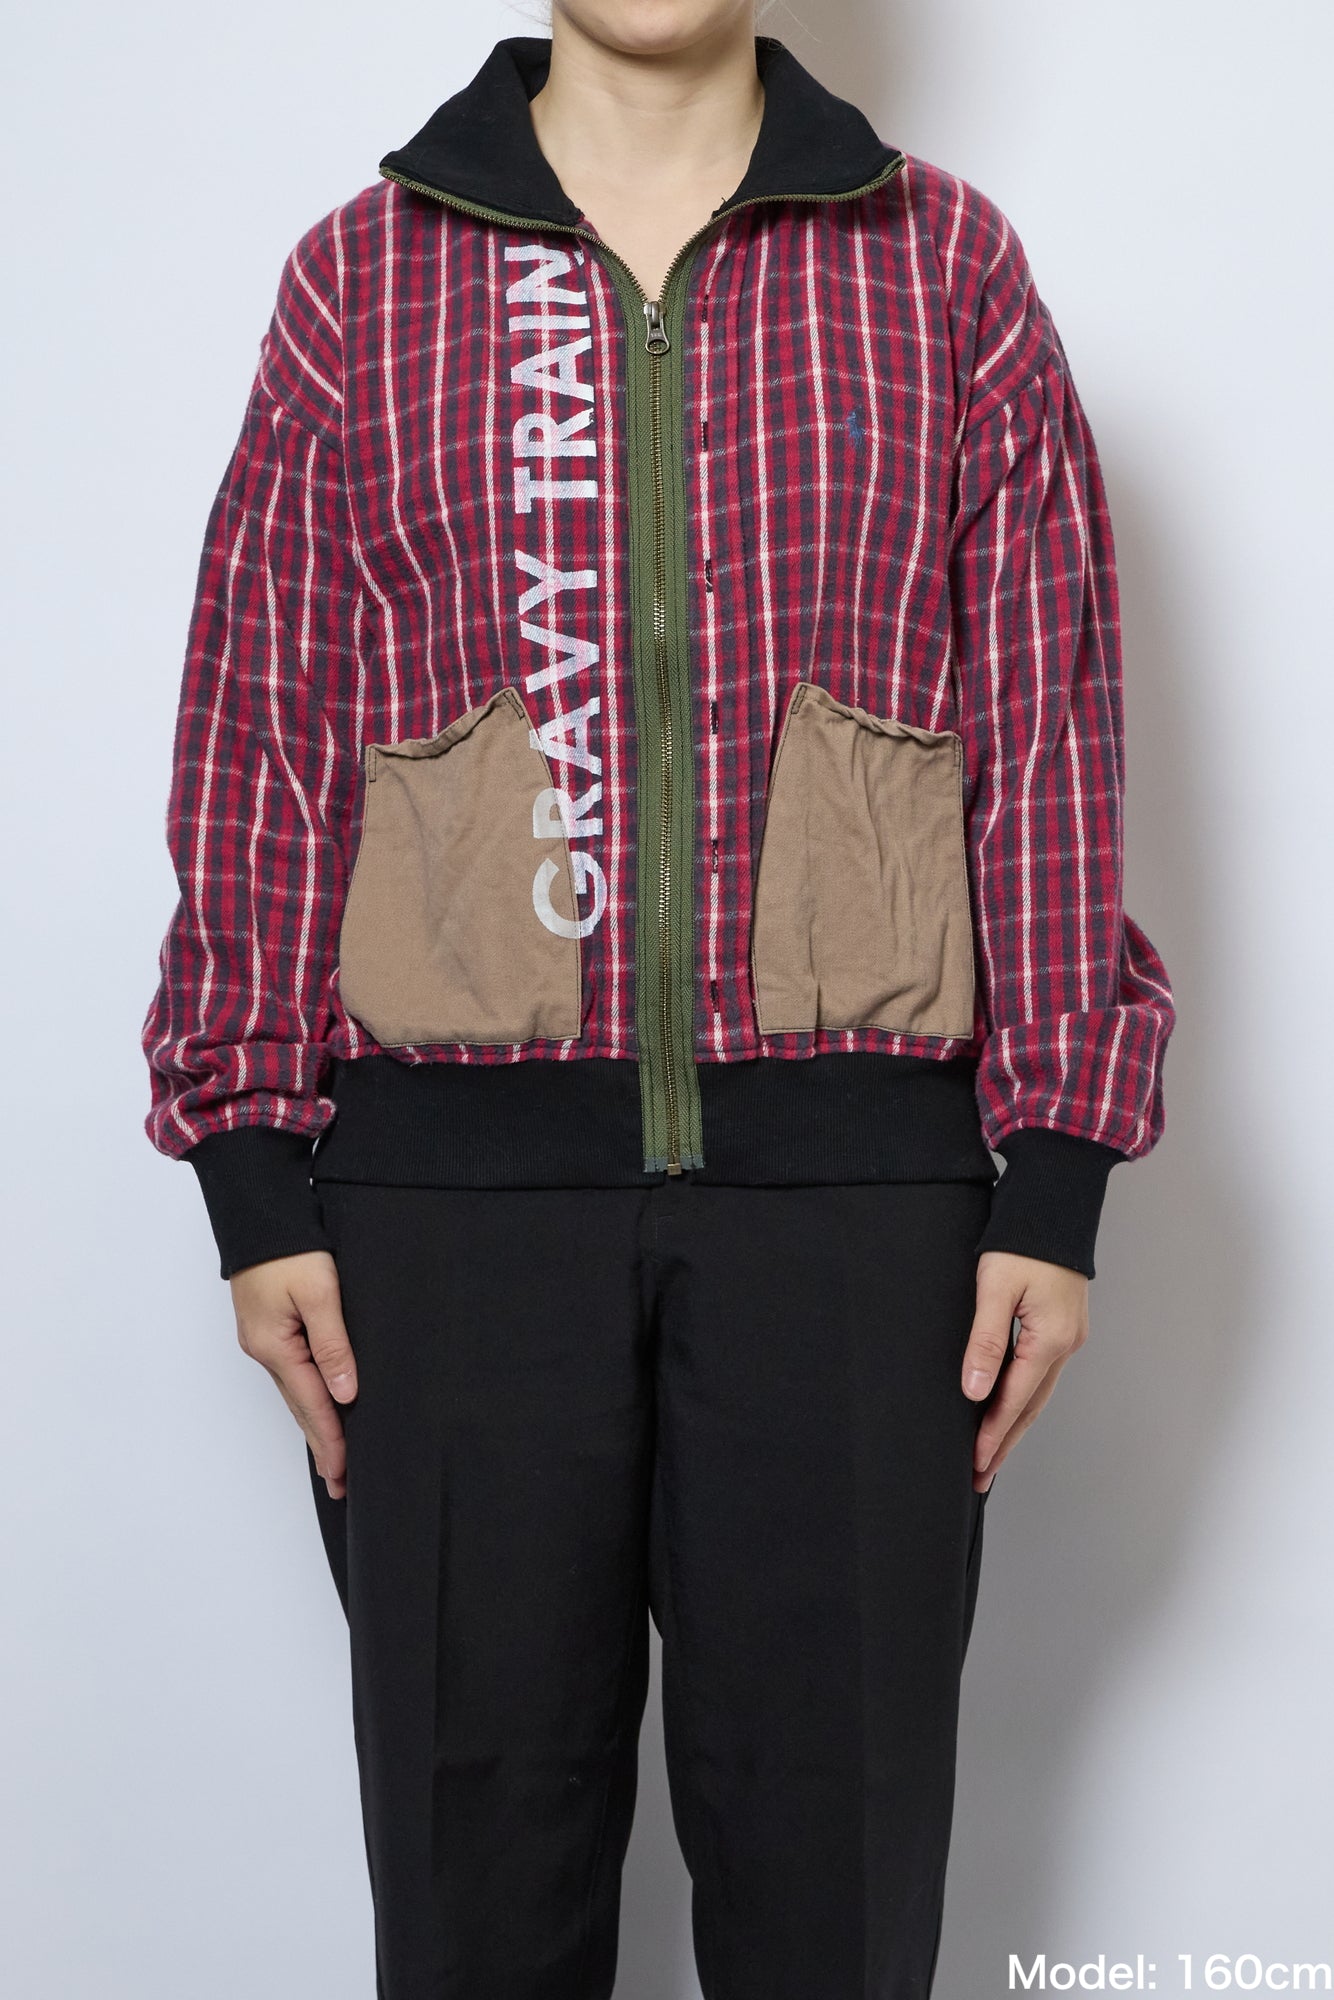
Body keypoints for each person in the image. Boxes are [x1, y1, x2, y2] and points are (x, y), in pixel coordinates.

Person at [140, 3, 1176, 1994]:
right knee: (474, 1887)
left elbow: (1045, 714)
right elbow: (266, 717)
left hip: (855, 1212)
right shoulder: (363, 275)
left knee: (834, 1893)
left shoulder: (942, 263)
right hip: (447, 1223)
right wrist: (251, 1165)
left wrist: (1056, 1166)